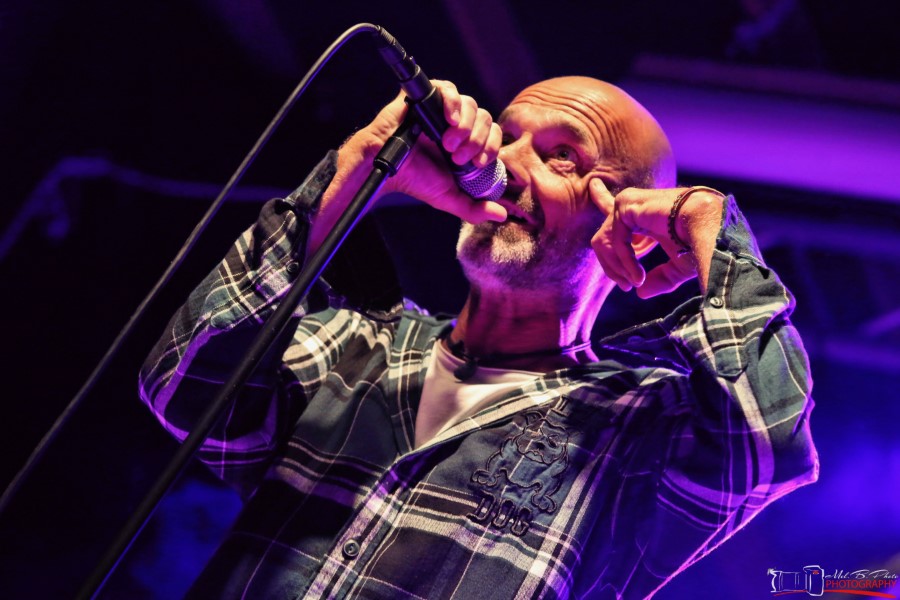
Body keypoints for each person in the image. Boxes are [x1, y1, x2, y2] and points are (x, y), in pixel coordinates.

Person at [139, 76, 818, 599]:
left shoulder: (631, 424)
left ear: (632, 228)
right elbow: (182, 386)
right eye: (507, 136)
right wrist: (360, 168)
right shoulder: (357, 344)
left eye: (561, 156)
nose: (507, 163)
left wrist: (707, 220)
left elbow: (767, 444)